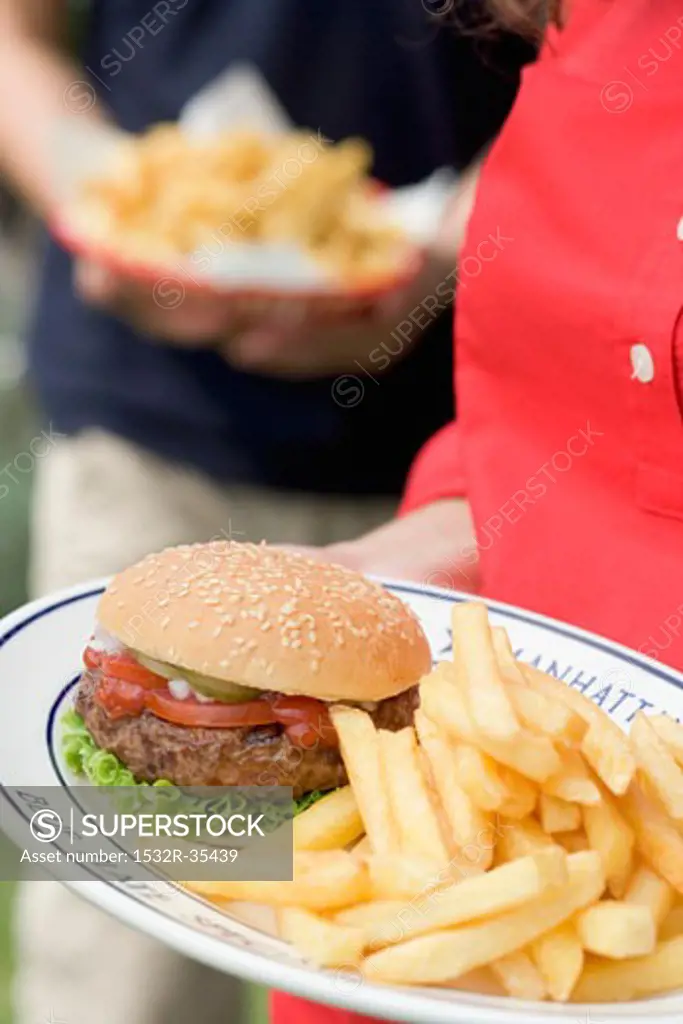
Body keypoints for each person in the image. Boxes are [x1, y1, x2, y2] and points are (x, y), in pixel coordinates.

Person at [0, 3, 533, 1023]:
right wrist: (104, 203)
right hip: (138, 453)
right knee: (113, 980)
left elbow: (601, 81)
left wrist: (436, 260)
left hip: (453, 457)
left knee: (402, 960)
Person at [270, 0, 683, 1020]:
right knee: (76, 831)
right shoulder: (596, 27)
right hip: (424, 929)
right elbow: (555, 423)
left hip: (624, 946)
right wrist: (387, 563)